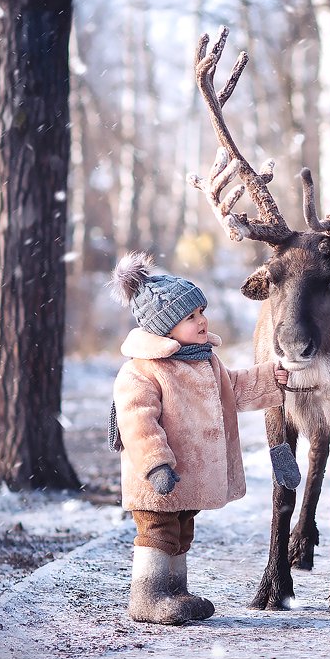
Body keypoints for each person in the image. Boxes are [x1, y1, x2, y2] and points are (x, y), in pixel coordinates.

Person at [109, 251, 297, 625]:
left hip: (187, 477)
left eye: (201, 312)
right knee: (158, 532)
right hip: (158, 478)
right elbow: (137, 422)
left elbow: (233, 387)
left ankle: (174, 592)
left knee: (181, 533)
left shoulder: (204, 359)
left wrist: (267, 378)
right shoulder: (142, 372)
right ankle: (146, 596)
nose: (201, 320)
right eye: (190, 317)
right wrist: (156, 464)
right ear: (163, 328)